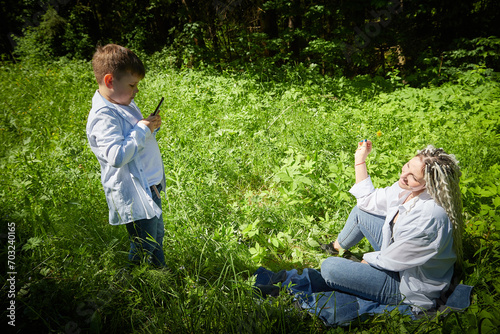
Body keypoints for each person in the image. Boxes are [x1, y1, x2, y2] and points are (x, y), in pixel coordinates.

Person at [320, 140, 463, 312]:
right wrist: (360, 159)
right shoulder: (410, 189)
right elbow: (367, 202)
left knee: (329, 268)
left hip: (407, 285)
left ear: (429, 185)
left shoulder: (428, 217)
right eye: (408, 166)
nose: (404, 176)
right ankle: (335, 247)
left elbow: (392, 261)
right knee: (361, 213)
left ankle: (348, 265)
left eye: (413, 177)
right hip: (398, 257)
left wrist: (365, 262)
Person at [86, 44, 167, 267]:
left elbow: (135, 135)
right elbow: (117, 155)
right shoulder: (103, 116)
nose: (136, 91)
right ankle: (133, 284)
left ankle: (160, 274)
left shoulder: (123, 102)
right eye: (132, 85)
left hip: (151, 186)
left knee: (156, 237)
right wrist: (142, 129)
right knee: (144, 243)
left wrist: (150, 127)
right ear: (110, 81)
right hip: (136, 191)